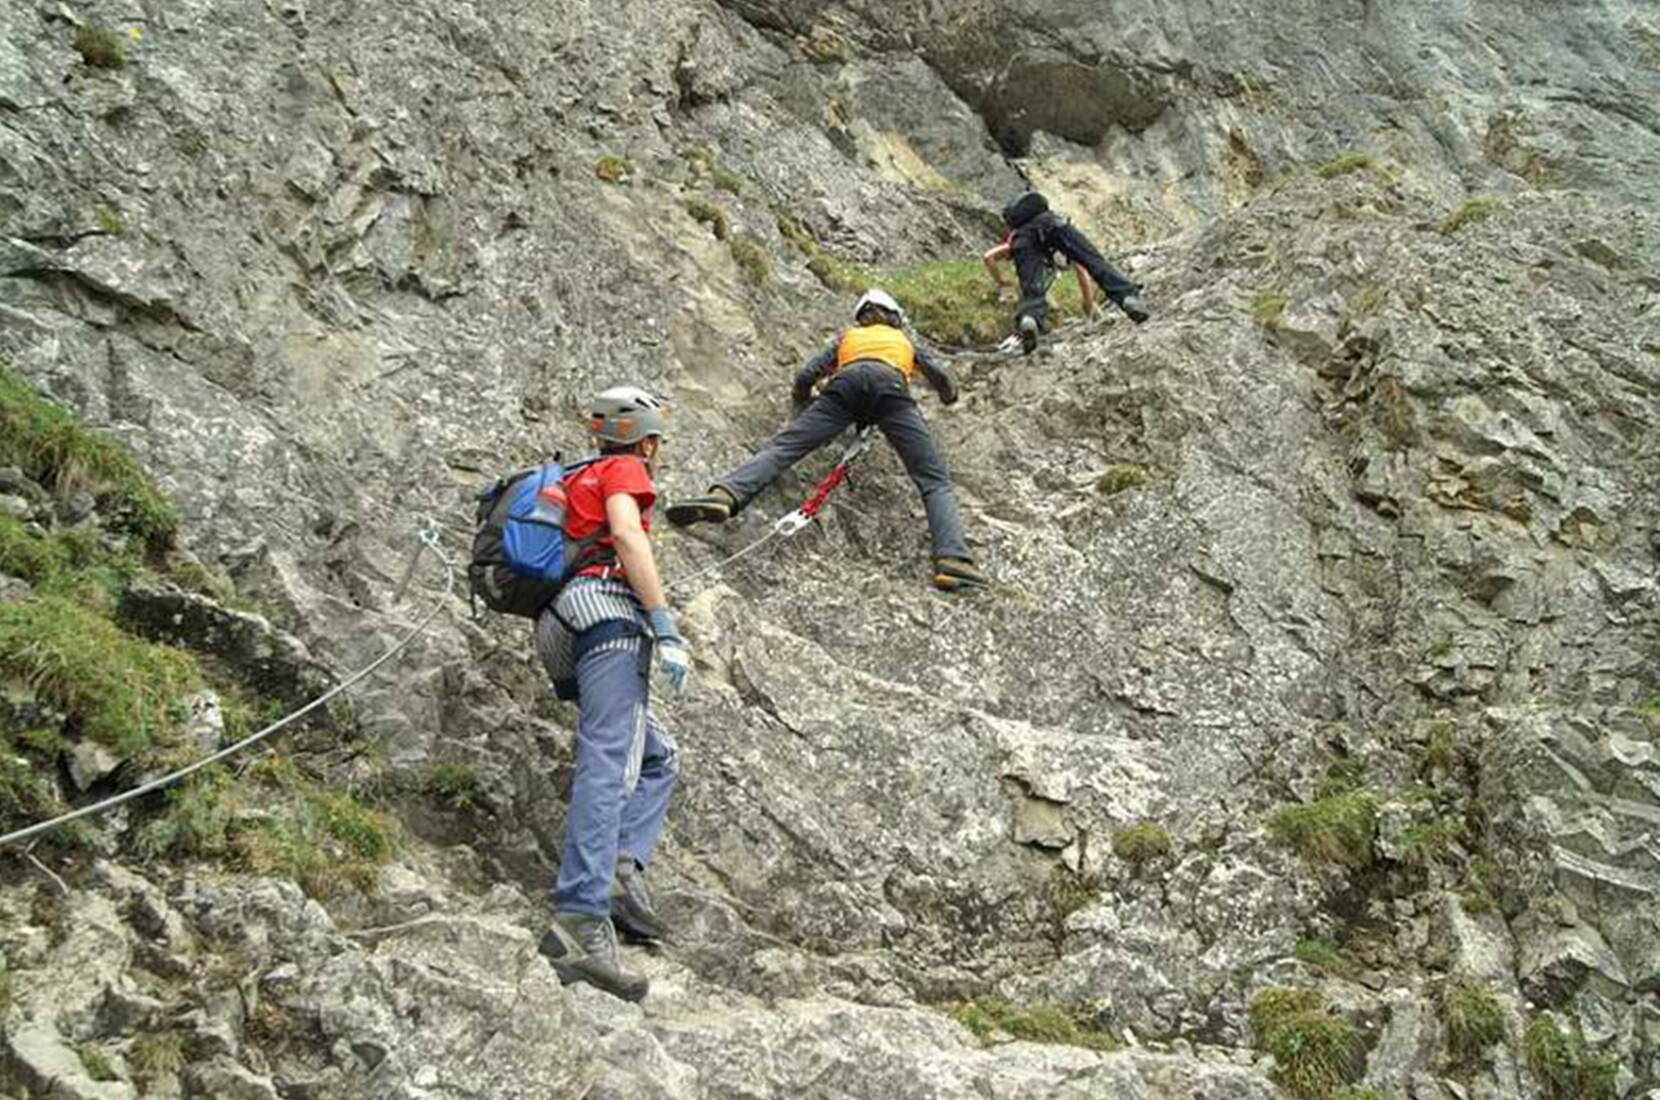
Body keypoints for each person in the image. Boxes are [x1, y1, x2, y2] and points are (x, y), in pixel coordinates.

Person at [665, 289, 988, 593]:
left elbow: (807, 374)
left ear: (862, 316)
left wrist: (805, 400)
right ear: (894, 317)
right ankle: (952, 559)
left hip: (844, 387)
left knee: (784, 448)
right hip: (891, 390)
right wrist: (949, 396)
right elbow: (941, 378)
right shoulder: (902, 340)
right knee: (933, 479)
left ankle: (725, 494)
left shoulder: (849, 339)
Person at [533, 385, 692, 1003]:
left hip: (557, 625)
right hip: (607, 617)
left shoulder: (576, 476)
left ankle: (620, 871)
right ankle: (580, 917)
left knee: (655, 755)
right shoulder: (625, 468)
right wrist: (663, 620)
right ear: (645, 438)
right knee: (611, 761)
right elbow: (628, 538)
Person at [986, 190, 1149, 354]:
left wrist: (1002, 282)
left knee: (1032, 291)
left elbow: (989, 257)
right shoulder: (1051, 224)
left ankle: (1029, 318)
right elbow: (1083, 268)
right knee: (1094, 261)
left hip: (1024, 240)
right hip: (1054, 225)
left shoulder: (1017, 239)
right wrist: (1088, 302)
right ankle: (1127, 298)